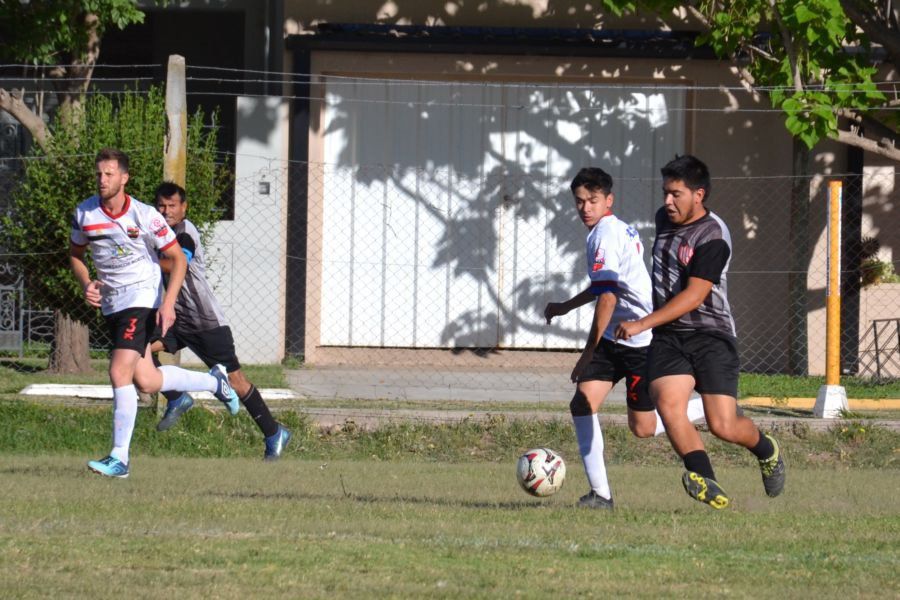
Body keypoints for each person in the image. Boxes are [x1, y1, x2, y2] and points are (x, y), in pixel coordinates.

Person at [616, 155, 785, 509]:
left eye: (676, 194)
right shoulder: (665, 219)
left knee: (722, 424)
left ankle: (766, 448)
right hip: (669, 336)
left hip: (711, 334)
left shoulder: (713, 236)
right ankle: (705, 478)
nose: (667, 202)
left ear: (699, 195)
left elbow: (695, 296)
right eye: (665, 193)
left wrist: (643, 323)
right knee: (668, 403)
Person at [69, 148, 241, 478]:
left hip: (142, 299)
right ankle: (214, 382)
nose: (102, 179)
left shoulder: (146, 216)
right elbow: (76, 254)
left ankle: (120, 458)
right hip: (113, 303)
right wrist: (85, 282)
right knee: (146, 380)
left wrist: (167, 304)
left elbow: (177, 260)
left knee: (119, 371)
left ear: (124, 178)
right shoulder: (85, 214)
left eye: (109, 174)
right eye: (99, 174)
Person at [544, 167, 705, 509]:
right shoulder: (611, 230)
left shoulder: (605, 235)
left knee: (643, 429)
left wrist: (587, 351)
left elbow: (609, 298)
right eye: (579, 201)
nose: (585, 207)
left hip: (640, 341)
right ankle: (601, 495)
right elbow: (606, 287)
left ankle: (704, 408)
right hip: (614, 339)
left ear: (608, 200)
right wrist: (565, 306)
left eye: (593, 200)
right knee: (582, 404)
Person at [150, 182, 291, 460]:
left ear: (184, 208)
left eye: (172, 206)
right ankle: (177, 397)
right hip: (176, 319)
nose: (166, 211)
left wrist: (145, 260)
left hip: (206, 323)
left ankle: (274, 432)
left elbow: (179, 263)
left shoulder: (185, 232)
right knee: (136, 350)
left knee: (237, 381)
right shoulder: (157, 234)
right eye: (162, 206)